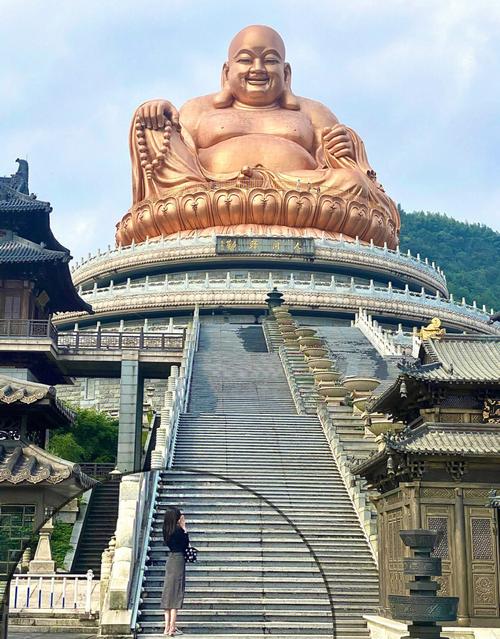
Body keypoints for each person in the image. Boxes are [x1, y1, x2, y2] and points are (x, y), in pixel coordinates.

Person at [117, 24, 399, 248]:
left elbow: (352, 171)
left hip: (298, 194)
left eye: (270, 60)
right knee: (159, 142)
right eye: (246, 60)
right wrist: (155, 115)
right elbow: (174, 160)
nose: (258, 69)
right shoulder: (197, 109)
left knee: (352, 183)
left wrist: (348, 148)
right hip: (213, 191)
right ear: (226, 72)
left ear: (286, 73)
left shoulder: (313, 111)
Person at [161, 506, 189, 636]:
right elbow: (185, 545)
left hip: (171, 559)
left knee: (168, 592)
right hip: (178, 559)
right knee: (176, 592)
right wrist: (184, 528)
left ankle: (166, 627)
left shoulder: (166, 530)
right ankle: (172, 627)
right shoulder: (179, 531)